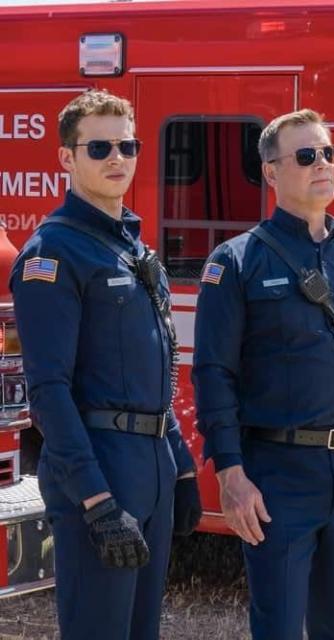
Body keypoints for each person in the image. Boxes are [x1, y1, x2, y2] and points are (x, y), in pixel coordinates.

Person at [192, 108, 334, 640]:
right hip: (277, 472)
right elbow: (213, 374)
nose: (323, 164)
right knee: (277, 626)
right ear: (271, 173)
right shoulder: (237, 262)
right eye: (306, 155)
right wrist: (230, 473)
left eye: (329, 153)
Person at [10, 90, 200, 640]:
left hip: (152, 465)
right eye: (99, 147)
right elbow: (48, 390)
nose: (117, 158)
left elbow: (155, 374)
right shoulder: (55, 253)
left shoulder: (133, 249)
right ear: (67, 158)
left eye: (127, 145)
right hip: (100, 468)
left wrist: (182, 465)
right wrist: (96, 500)